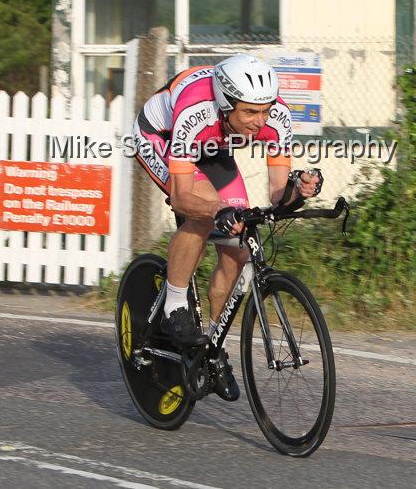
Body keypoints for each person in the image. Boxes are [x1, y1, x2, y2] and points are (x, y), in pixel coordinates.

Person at [132, 53, 322, 402]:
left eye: (264, 110)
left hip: (214, 146)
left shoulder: (276, 116)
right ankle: (175, 305)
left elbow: (278, 192)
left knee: (238, 244)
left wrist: (300, 189)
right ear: (225, 103)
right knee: (203, 212)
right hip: (161, 136)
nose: (259, 120)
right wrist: (217, 209)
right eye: (249, 112)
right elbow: (181, 197)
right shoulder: (197, 110)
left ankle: (212, 350)